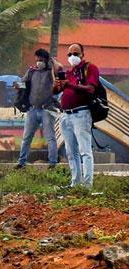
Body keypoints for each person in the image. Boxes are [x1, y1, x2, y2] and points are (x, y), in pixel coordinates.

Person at [54, 42, 100, 188]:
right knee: (70, 152)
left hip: (81, 113)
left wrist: (70, 85)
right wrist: (57, 85)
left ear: (82, 54)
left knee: (84, 151)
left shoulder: (90, 68)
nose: (72, 56)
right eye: (69, 54)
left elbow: (90, 89)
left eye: (75, 53)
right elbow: (55, 91)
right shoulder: (69, 72)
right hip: (66, 115)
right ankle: (75, 183)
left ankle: (87, 185)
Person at [15, 49, 58, 169]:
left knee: (50, 137)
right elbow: (21, 84)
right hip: (32, 109)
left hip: (47, 109)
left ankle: (52, 163)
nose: (39, 62)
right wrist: (17, 86)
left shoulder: (51, 73)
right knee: (27, 137)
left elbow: (59, 73)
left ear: (46, 60)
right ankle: (21, 162)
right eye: (37, 60)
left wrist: (53, 62)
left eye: (41, 60)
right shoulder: (31, 71)